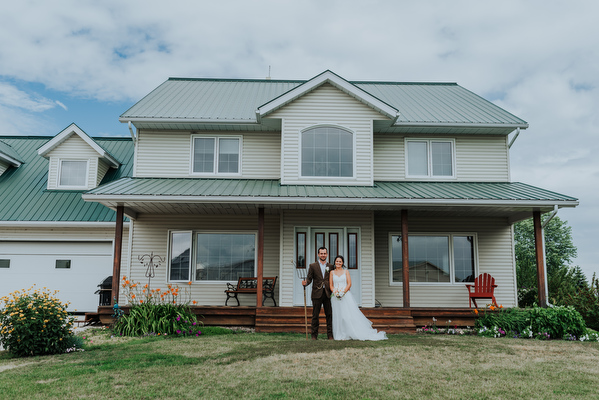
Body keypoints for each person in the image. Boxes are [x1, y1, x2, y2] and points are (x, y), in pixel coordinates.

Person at [329, 255, 387, 341]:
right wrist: (335, 292)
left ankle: (349, 333)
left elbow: (349, 284)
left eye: (340, 261)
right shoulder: (332, 272)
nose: (338, 263)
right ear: (335, 262)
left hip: (345, 296)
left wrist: (342, 293)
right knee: (338, 316)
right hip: (335, 297)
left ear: (342, 263)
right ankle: (339, 334)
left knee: (346, 316)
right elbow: (331, 285)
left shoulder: (346, 272)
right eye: (337, 261)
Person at [302, 247, 333, 340]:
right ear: (318, 254)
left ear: (327, 254)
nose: (323, 255)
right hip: (316, 293)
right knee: (315, 315)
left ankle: (330, 335)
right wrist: (306, 282)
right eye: (321, 253)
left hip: (327, 293)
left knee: (329, 315)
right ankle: (314, 335)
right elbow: (309, 278)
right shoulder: (313, 266)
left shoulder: (331, 266)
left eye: (325, 253)